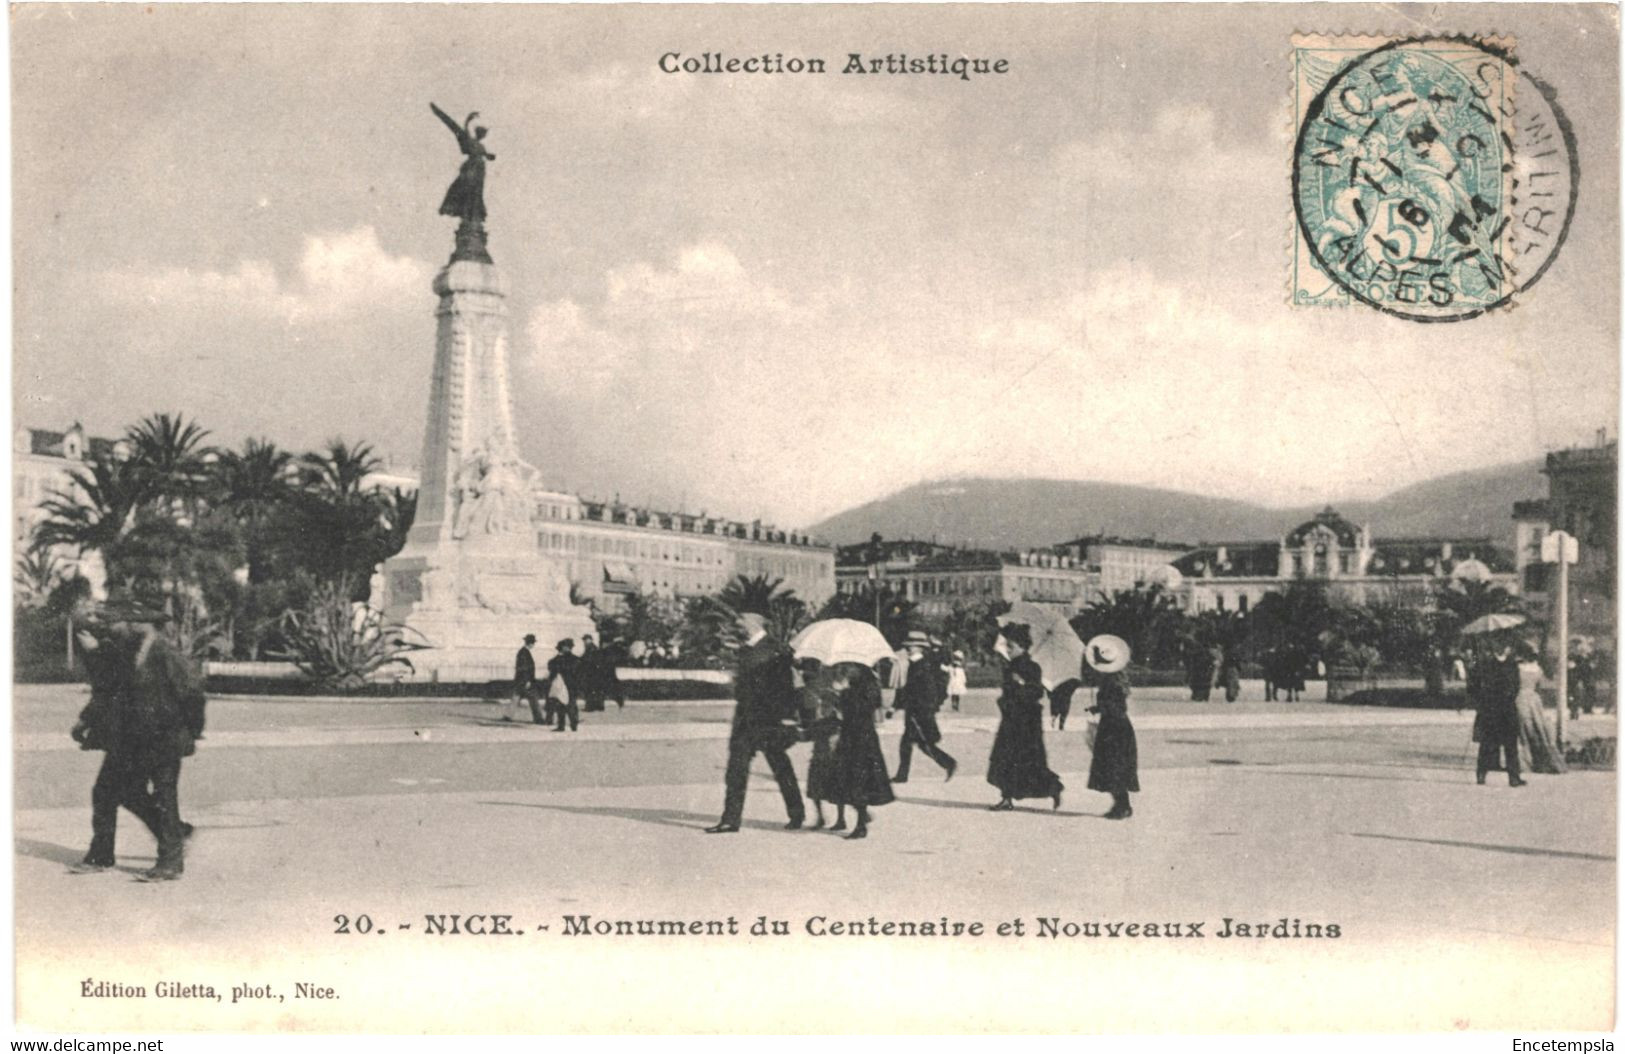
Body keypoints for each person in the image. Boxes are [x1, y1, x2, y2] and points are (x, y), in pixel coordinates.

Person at [71, 605, 206, 881]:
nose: (123, 626)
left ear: (145, 623)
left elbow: (193, 695)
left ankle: (170, 862)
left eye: (129, 621)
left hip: (164, 737)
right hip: (134, 738)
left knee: (164, 795)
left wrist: (190, 732)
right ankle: (106, 854)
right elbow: (107, 688)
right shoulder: (127, 652)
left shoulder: (166, 654)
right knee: (115, 791)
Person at [706, 612, 806, 834]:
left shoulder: (775, 649)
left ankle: (797, 813)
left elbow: (785, 685)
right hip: (744, 718)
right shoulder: (746, 648)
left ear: (755, 623)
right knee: (736, 769)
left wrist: (786, 716)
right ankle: (730, 820)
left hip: (768, 719)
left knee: (780, 767)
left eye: (742, 619)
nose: (737, 623)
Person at [987, 623, 1063, 811]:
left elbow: (1037, 692)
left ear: (1022, 647)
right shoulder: (1010, 666)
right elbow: (1007, 693)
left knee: (1029, 760)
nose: (1008, 650)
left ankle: (1054, 788)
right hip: (1010, 719)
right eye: (1008, 646)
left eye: (1011, 646)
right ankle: (1006, 798)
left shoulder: (1032, 667)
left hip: (1026, 723)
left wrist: (1021, 684)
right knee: (1004, 758)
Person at [828, 662, 895, 839]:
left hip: (855, 738)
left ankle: (860, 824)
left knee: (856, 778)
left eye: (849, 669)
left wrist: (842, 694)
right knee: (855, 778)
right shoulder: (871, 686)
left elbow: (850, 712)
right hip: (864, 737)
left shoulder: (854, 691)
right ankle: (859, 818)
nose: (847, 671)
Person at [892, 631, 957, 783]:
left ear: (920, 647)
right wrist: (897, 706)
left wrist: (922, 708)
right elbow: (908, 688)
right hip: (914, 711)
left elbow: (929, 690)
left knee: (922, 744)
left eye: (911, 646)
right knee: (909, 743)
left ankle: (948, 762)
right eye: (907, 646)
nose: (908, 649)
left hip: (919, 712)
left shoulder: (924, 665)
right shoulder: (915, 664)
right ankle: (902, 775)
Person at [1087, 671, 1140, 819]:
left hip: (1113, 730)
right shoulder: (1115, 683)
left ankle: (1121, 806)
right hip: (1118, 728)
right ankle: (1123, 805)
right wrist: (1097, 708)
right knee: (1116, 768)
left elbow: (1115, 707)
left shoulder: (1110, 685)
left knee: (1112, 767)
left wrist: (1101, 707)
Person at [798, 660, 844, 831]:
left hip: (833, 739)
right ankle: (828, 817)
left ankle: (835, 818)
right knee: (819, 781)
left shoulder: (839, 685)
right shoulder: (817, 686)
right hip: (824, 739)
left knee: (833, 780)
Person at [1471, 641, 1524, 787]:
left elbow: (1516, 686)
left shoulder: (1512, 665)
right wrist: (1480, 700)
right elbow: (1475, 685)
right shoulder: (1485, 664)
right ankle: (1481, 773)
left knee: (1510, 744)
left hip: (1507, 709)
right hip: (1490, 709)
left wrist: (1509, 696)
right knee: (1487, 743)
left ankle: (1514, 776)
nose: (1505, 649)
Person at [1513, 639, 1567, 775]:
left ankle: (1524, 761)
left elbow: (1512, 685)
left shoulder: (1517, 668)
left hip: (1520, 698)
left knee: (1523, 730)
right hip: (1534, 699)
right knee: (1538, 729)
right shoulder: (1537, 669)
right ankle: (1542, 761)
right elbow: (1540, 686)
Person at [543, 639, 580, 732]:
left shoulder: (569, 659)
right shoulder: (573, 659)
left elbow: (553, 666)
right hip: (567, 685)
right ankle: (569, 724)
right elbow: (551, 665)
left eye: (566, 646)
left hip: (568, 685)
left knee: (568, 705)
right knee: (564, 705)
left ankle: (569, 724)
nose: (564, 648)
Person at [506, 634, 539, 723]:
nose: (533, 645)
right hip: (524, 680)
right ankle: (538, 718)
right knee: (533, 698)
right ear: (530, 643)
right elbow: (525, 668)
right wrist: (527, 680)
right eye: (533, 643)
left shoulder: (522, 652)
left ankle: (509, 716)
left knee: (516, 696)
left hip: (520, 680)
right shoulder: (524, 653)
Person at [578, 635, 608, 713]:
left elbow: (587, 660)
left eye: (586, 640)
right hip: (597, 673)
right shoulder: (593, 648)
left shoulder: (590, 649)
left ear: (590, 640)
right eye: (584, 640)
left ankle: (590, 707)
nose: (584, 642)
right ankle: (599, 706)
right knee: (597, 690)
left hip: (592, 673)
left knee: (590, 690)